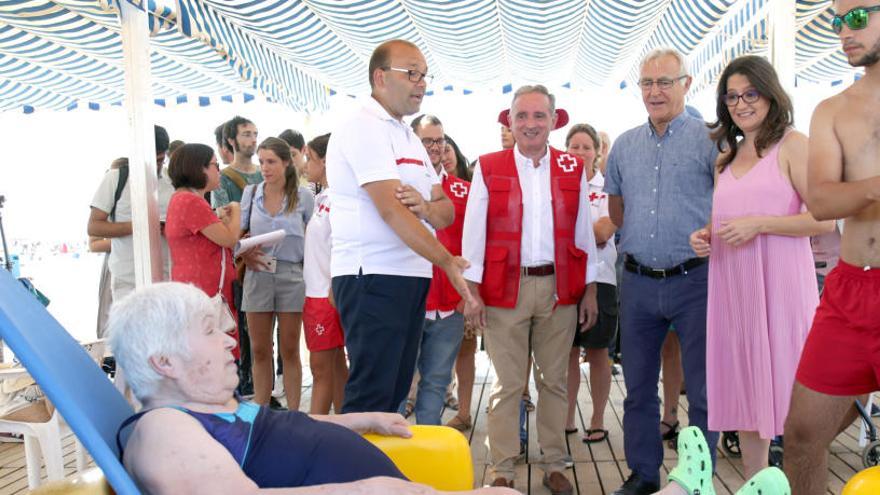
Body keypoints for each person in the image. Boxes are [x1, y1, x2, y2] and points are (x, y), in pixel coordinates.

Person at [109, 282, 514, 495]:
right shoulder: (164, 429)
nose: (231, 340)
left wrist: (358, 420)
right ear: (164, 362)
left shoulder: (209, 410)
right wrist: (369, 491)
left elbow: (281, 432)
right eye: (210, 330)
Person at [688, 55, 833, 483]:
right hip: (733, 288)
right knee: (746, 394)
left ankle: (797, 485)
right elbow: (728, 221)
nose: (741, 104)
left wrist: (761, 226)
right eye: (732, 96)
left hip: (781, 287)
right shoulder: (725, 158)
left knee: (792, 399)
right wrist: (706, 236)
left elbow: (824, 218)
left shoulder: (793, 144)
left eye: (750, 94)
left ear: (770, 95)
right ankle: (758, 485)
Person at [462, 84, 599, 494]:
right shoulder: (487, 166)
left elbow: (583, 235)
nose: (530, 124)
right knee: (507, 385)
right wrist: (472, 293)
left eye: (539, 116)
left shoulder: (573, 168)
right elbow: (473, 235)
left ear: (553, 121)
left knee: (554, 381)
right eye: (521, 116)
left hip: (560, 290)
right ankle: (501, 469)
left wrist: (590, 290)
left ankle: (554, 462)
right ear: (510, 120)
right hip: (505, 289)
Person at [325, 39, 472, 414]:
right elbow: (391, 211)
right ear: (380, 77)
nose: (421, 82)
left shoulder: (408, 135)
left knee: (393, 397)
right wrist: (446, 261)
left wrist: (423, 206)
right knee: (372, 395)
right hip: (372, 276)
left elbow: (446, 210)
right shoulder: (362, 126)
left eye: (424, 75)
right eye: (411, 73)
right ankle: (354, 473)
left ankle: (381, 472)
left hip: (408, 276)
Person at [603, 48, 718, 495]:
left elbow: (729, 203)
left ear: (686, 84)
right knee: (636, 388)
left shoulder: (713, 139)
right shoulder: (625, 145)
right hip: (637, 282)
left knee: (704, 390)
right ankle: (644, 474)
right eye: (647, 83)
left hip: (697, 280)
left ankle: (697, 475)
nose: (655, 91)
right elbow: (617, 209)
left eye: (665, 82)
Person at [784, 2, 880, 493]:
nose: (844, 30)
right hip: (848, 288)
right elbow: (821, 199)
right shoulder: (833, 109)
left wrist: (860, 188)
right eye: (837, 20)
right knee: (801, 437)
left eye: (858, 17)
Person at [400, 115, 469, 426]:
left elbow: (476, 245)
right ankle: (396, 457)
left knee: (437, 382)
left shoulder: (465, 191)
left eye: (440, 140)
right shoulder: (395, 188)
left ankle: (428, 449)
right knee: (400, 384)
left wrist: (468, 294)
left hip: (449, 305)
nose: (435, 147)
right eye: (427, 140)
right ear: (412, 142)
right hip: (409, 301)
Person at [239, 137, 314, 409]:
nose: (265, 167)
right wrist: (244, 251)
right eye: (261, 162)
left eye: (271, 161)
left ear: (285, 162)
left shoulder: (304, 196)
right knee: (259, 349)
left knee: (290, 349)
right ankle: (261, 410)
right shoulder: (251, 192)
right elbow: (238, 234)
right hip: (257, 272)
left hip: (292, 273)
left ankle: (293, 411)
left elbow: (315, 239)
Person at [562, 123, 618, 444]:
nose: (580, 152)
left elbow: (602, 233)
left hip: (603, 279)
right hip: (565, 279)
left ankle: (597, 420)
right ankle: (568, 418)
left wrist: (571, 231)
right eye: (574, 146)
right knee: (567, 352)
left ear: (597, 151)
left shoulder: (609, 186)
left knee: (598, 352)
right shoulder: (557, 184)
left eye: (587, 146)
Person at [165, 143, 241, 358]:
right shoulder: (190, 201)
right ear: (199, 169)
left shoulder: (184, 199)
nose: (218, 170)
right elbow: (228, 238)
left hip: (201, 293)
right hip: (206, 295)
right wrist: (236, 212)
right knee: (217, 362)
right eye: (214, 165)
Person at [87, 125, 174, 301]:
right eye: (149, 159)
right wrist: (141, 226)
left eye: (159, 160)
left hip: (168, 278)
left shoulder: (171, 181)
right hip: (128, 280)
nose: (154, 165)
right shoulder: (115, 178)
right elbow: (94, 227)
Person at [303, 133, 348, 415]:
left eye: (310, 159)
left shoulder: (339, 200)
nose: (306, 165)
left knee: (320, 371)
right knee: (335, 367)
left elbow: (342, 244)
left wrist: (334, 286)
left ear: (326, 161)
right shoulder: (322, 197)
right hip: (317, 292)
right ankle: (348, 428)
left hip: (326, 295)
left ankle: (312, 437)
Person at [212, 116, 262, 208]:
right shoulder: (222, 178)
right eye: (247, 135)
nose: (254, 140)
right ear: (231, 141)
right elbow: (224, 217)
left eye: (255, 134)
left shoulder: (265, 173)